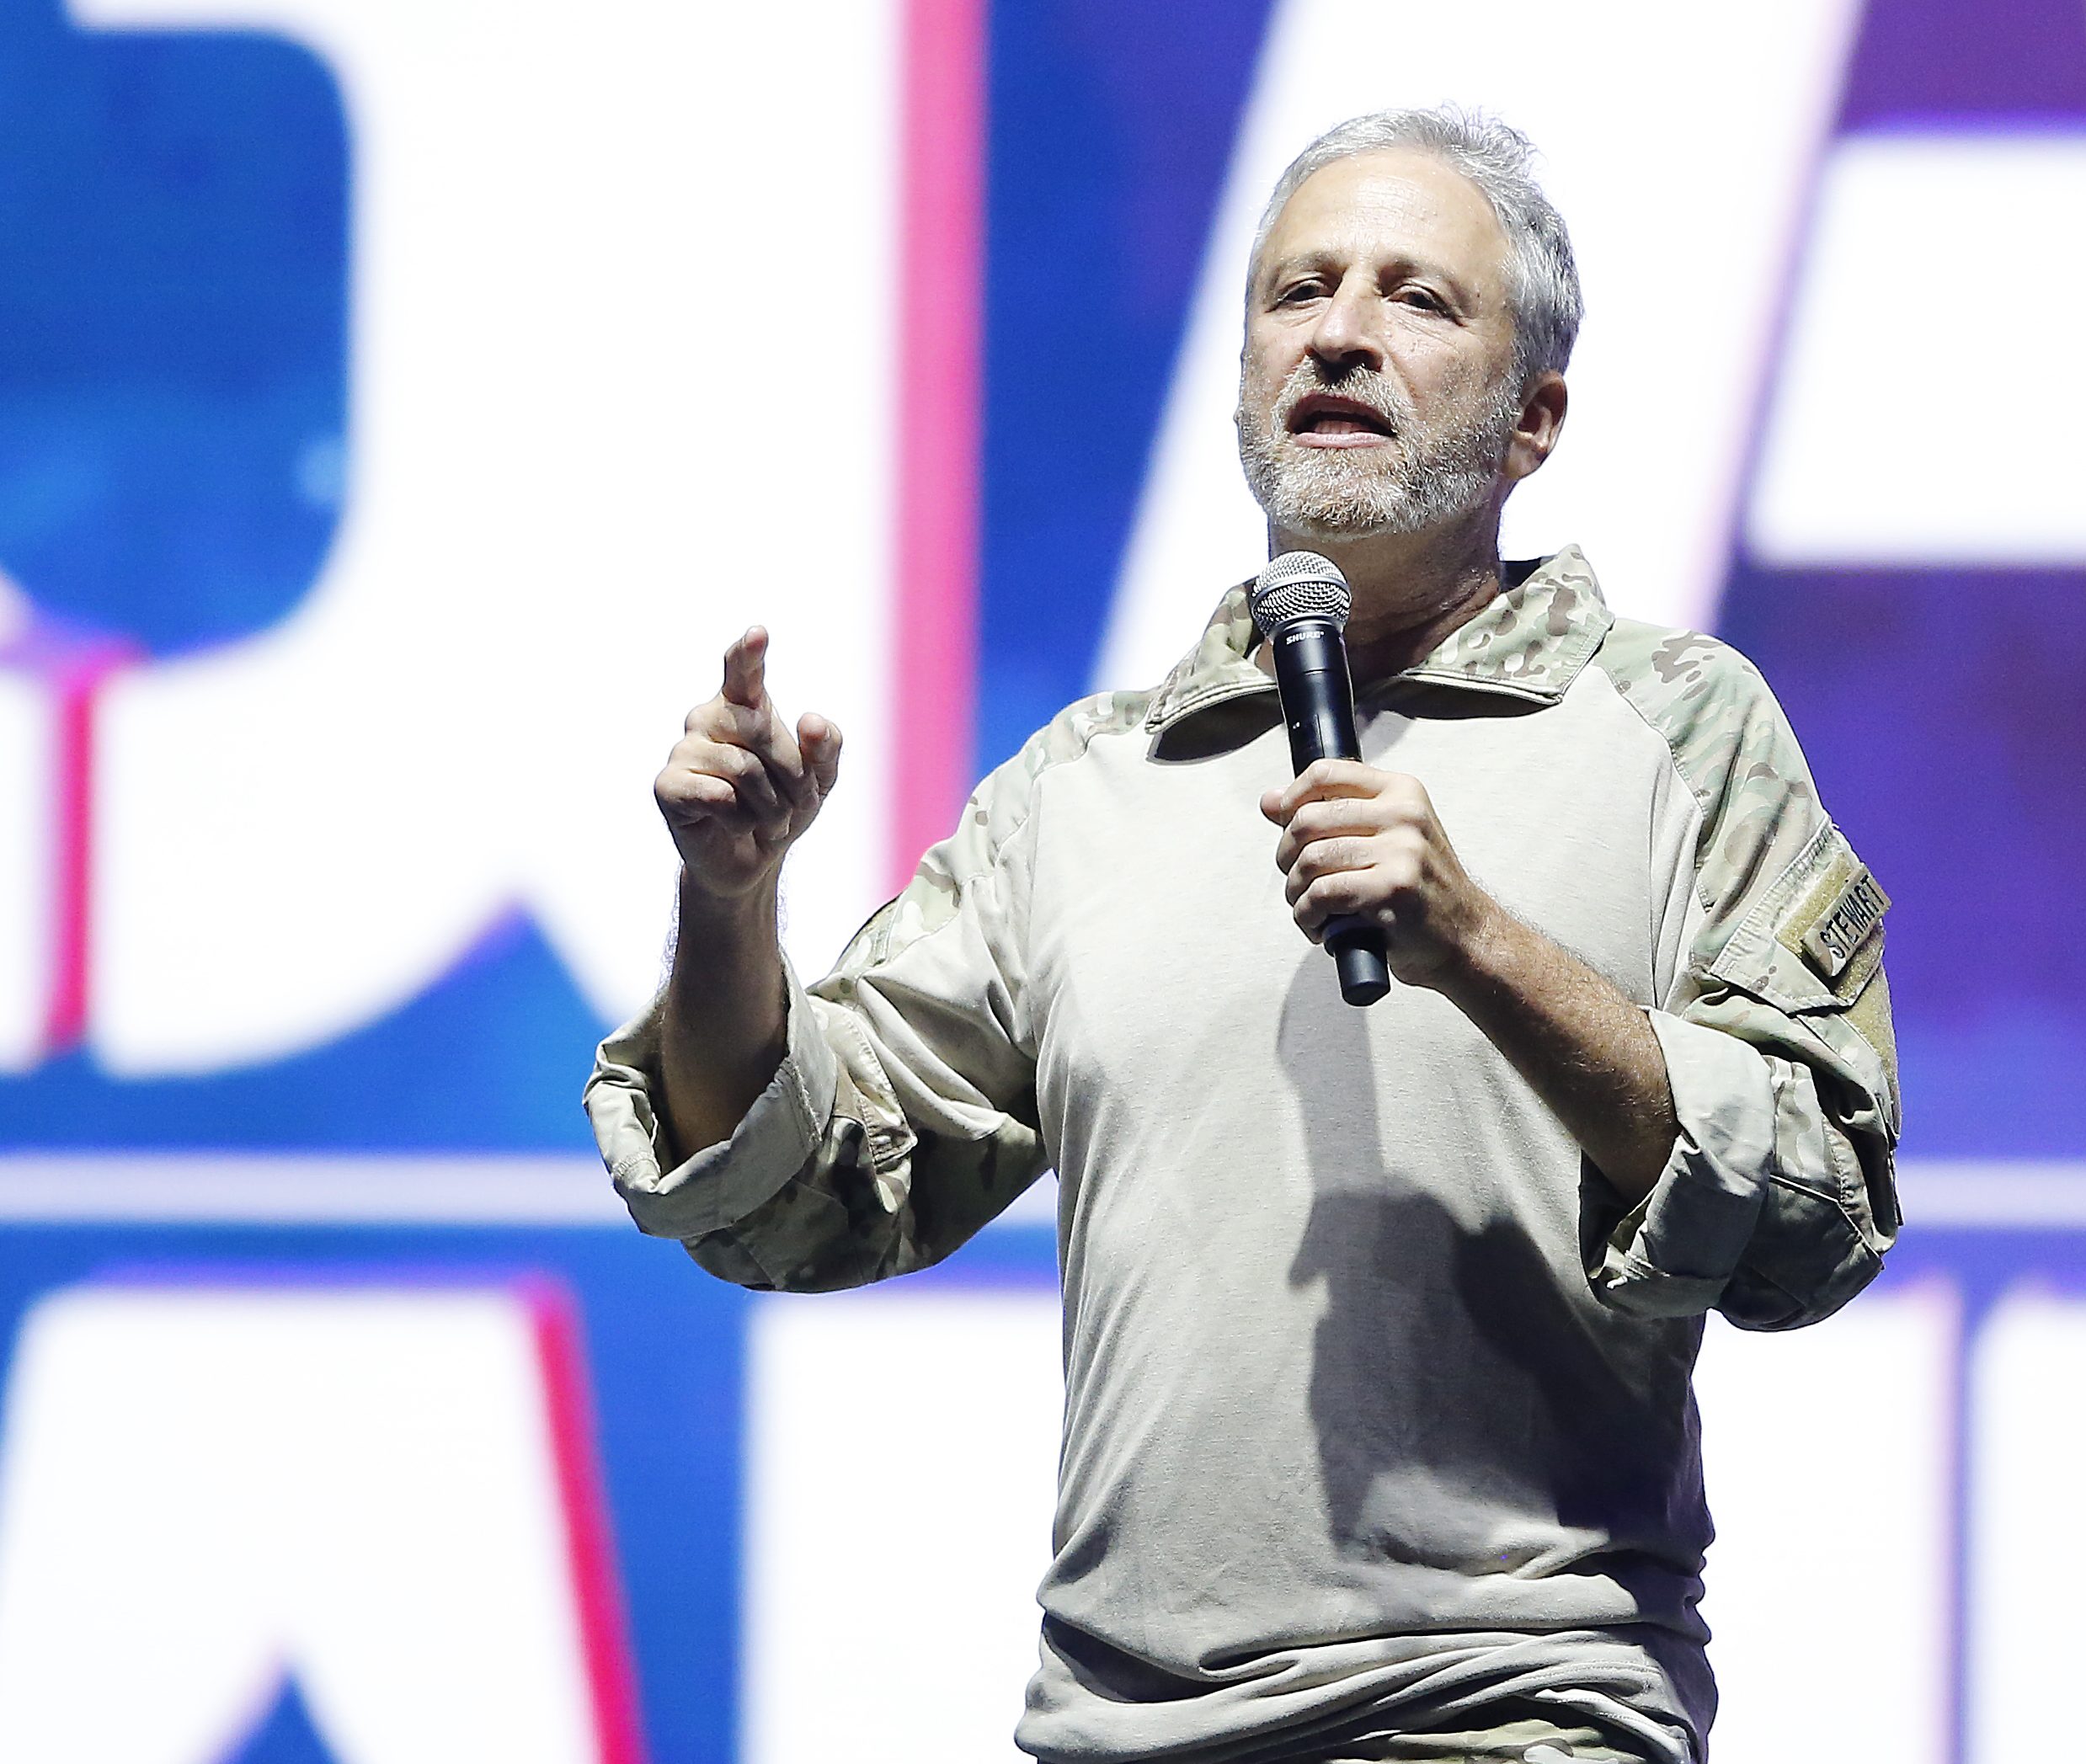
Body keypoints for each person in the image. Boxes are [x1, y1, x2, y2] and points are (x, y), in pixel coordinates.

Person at [586, 107, 1900, 1764]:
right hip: (1121, 1730)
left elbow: (1817, 1213)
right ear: (1240, 385)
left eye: (1417, 298)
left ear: (1535, 418)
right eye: (1299, 290)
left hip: (1510, 1713)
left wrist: (1478, 943)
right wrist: (730, 904)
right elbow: (790, 1199)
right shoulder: (1085, 787)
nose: (1340, 332)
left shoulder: (1677, 727)